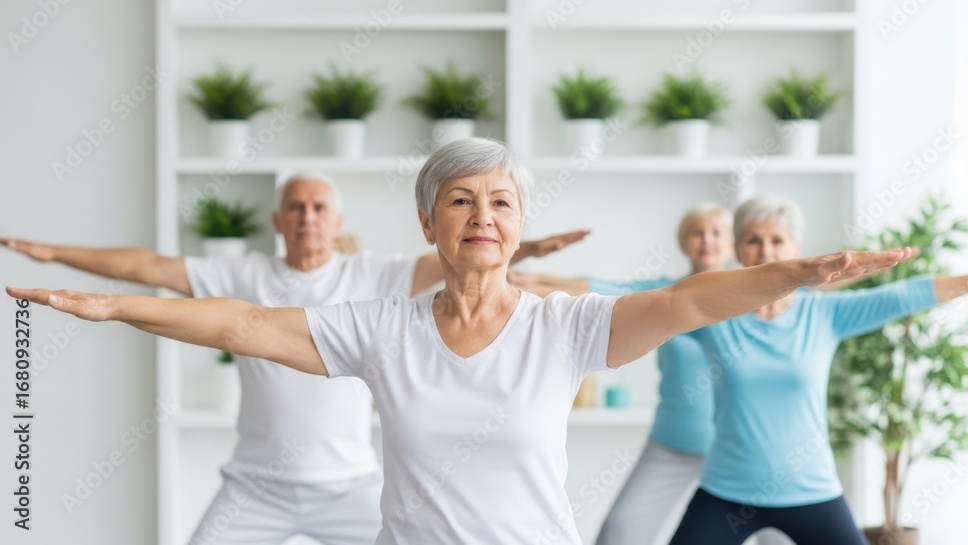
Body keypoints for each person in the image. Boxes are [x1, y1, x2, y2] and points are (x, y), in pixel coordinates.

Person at [7, 138, 914, 545]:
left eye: (503, 200)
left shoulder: (568, 327)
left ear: (520, 227)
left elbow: (684, 302)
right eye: (462, 198)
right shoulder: (379, 327)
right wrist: (116, 309)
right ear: (428, 223)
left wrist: (792, 275)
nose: (484, 214)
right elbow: (245, 322)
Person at [0, 170, 588, 545]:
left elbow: (464, 252)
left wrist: (526, 243)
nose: (308, 216)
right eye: (296, 208)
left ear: (335, 222)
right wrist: (54, 254)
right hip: (255, 487)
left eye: (319, 208)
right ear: (280, 221)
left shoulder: (374, 274)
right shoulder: (241, 273)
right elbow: (145, 267)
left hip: (351, 488)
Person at [652, 195, 968, 545]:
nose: (765, 251)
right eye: (753, 240)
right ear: (738, 250)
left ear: (796, 250)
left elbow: (905, 295)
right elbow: (642, 299)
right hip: (727, 491)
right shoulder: (717, 313)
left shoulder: (823, 314)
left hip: (811, 490)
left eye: (777, 240)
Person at [512, 202, 792, 545]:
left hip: (743, 449)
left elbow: (813, 291)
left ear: (732, 242)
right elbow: (602, 290)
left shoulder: (756, 299)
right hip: (674, 443)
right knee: (619, 533)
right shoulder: (665, 293)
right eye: (696, 232)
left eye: (716, 233)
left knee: (776, 539)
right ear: (683, 241)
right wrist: (528, 280)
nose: (706, 241)